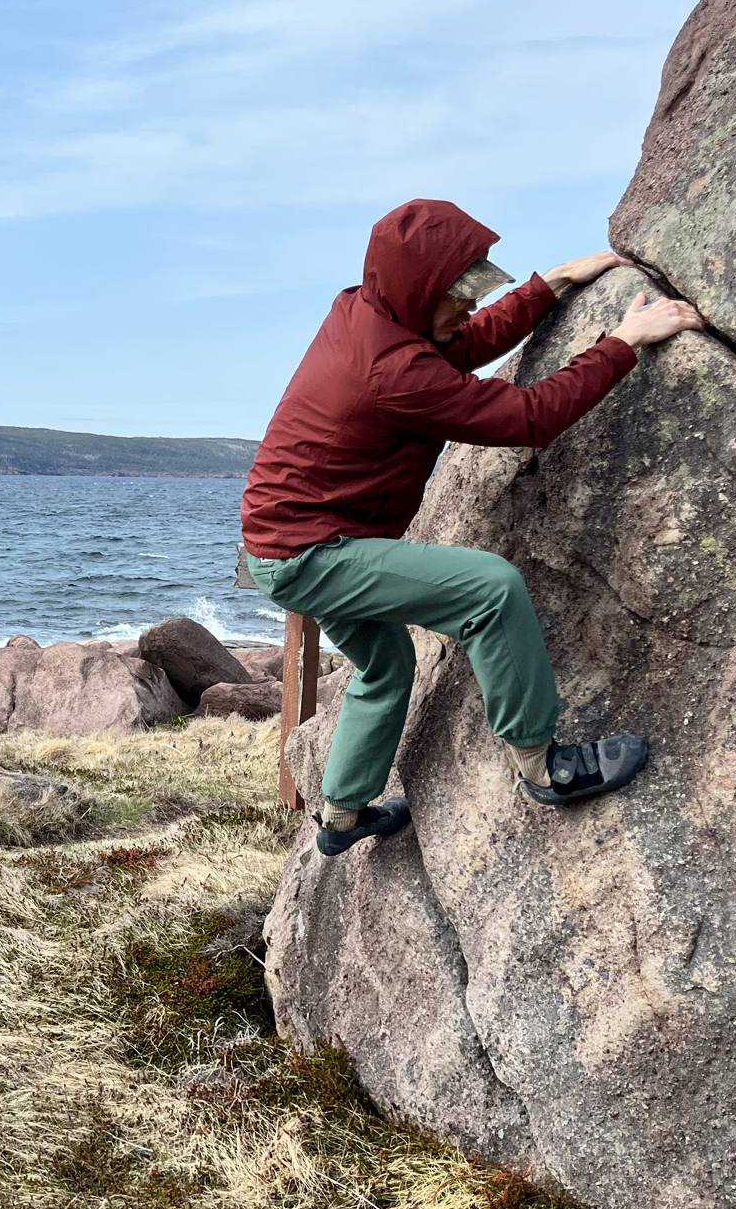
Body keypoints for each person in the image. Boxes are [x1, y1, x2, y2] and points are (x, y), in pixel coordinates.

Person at [239, 197, 703, 856]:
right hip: (312, 553)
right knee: (489, 589)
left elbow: (460, 344)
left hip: (286, 541)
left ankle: (341, 818)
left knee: (385, 663)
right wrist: (622, 343)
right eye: (461, 290)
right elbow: (529, 418)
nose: (470, 302)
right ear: (419, 288)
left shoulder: (368, 310)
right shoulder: (393, 371)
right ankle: (544, 767)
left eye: (477, 284)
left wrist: (552, 284)